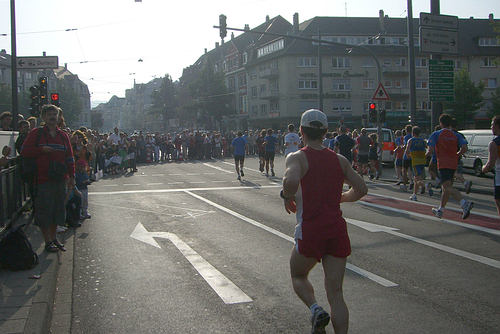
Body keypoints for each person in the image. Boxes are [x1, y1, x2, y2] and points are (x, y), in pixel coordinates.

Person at [281, 109, 367, 334]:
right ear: (326, 132)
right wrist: (343, 197)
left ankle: (315, 308)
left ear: (301, 131)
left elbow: (290, 181)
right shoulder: (340, 160)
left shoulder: (298, 156)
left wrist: (287, 196)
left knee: (298, 274)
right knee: (336, 293)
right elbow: (361, 188)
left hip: (312, 228)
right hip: (336, 230)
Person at [21, 104, 75, 252]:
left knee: (57, 209)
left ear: (58, 117)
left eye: (55, 114)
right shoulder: (36, 133)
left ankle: (53, 238)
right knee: (45, 210)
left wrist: (72, 176)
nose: (52, 117)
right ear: (43, 117)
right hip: (43, 178)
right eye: (49, 114)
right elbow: (24, 151)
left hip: (60, 178)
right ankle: (47, 241)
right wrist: (41, 150)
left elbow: (70, 157)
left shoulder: (63, 136)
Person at [427, 114, 473, 219]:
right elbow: (465, 148)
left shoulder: (436, 134)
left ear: (440, 123)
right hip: (453, 163)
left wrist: (425, 155)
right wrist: (457, 154)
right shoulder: (456, 135)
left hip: (443, 163)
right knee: (445, 188)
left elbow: (430, 150)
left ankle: (464, 203)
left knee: (447, 187)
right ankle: (440, 210)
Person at [481, 115, 500, 215]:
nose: (491, 127)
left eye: (492, 125)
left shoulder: (494, 143)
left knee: (498, 201)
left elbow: (490, 164)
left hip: (499, 179)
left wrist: (483, 169)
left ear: (497, 126)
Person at [405, 126, 427, 201]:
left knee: (417, 178)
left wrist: (409, 156)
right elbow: (428, 149)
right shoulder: (423, 141)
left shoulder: (411, 140)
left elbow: (407, 151)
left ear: (412, 133)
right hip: (422, 160)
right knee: (416, 178)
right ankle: (414, 195)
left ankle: (426, 185)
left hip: (415, 161)